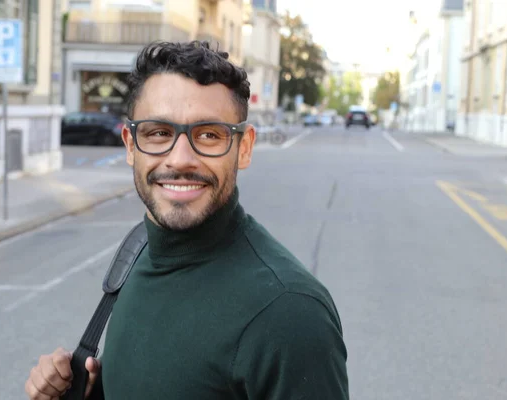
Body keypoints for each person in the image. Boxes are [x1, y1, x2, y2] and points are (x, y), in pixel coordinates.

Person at [25, 40, 349, 400]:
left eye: (208, 135)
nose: (180, 159)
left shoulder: (289, 312)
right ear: (131, 145)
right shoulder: (138, 251)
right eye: (159, 133)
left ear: (243, 148)